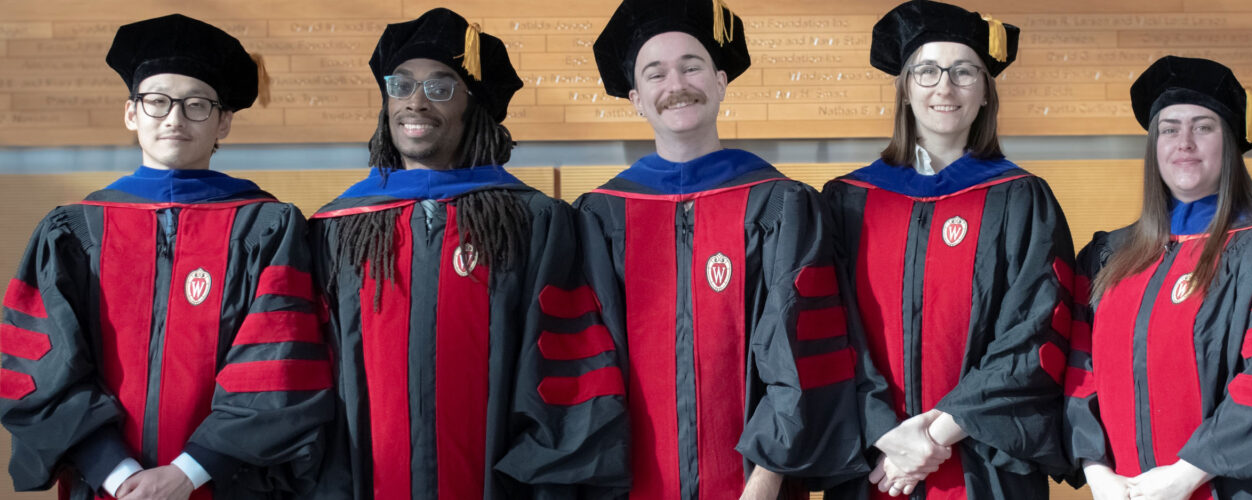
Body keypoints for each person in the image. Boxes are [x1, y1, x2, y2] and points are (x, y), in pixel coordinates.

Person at [0, 14, 334, 500]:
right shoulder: (73, 230)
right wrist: (116, 473)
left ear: (223, 121)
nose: (174, 118)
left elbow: (280, 357)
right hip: (105, 487)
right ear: (132, 113)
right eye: (157, 101)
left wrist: (191, 471)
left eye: (196, 104)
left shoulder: (267, 227)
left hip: (229, 483)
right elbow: (37, 363)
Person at [310, 8, 626, 499]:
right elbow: (314, 373)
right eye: (402, 85)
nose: (415, 102)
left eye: (440, 87)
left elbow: (568, 374)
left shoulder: (535, 222)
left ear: (471, 107)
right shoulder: (339, 228)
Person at [579, 0, 867, 497]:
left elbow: (800, 346)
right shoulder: (599, 215)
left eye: (692, 66)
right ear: (636, 99)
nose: (677, 85)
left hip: (756, 484)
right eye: (656, 74)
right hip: (633, 483)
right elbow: (584, 363)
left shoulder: (780, 204)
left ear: (720, 82)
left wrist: (767, 475)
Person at [820, 1, 1076, 497]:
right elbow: (831, 330)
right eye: (928, 71)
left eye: (963, 72)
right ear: (905, 89)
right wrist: (886, 434)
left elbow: (1035, 332)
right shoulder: (848, 201)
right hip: (876, 462)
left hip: (985, 465)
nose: (945, 86)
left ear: (984, 93)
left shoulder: (1021, 198)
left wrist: (936, 434)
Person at [1070, 55, 1252, 500]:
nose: (1184, 142)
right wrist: (1099, 475)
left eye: (1203, 126)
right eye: (1169, 128)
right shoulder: (1108, 257)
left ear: (1230, 143)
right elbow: (1080, 374)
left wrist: (1182, 478)